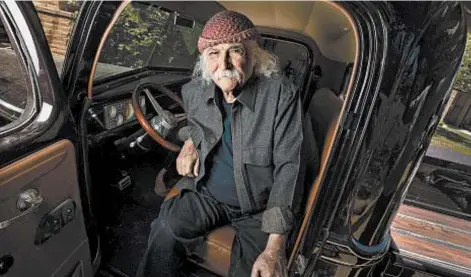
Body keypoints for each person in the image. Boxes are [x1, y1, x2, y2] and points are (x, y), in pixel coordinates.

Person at [137, 10, 307, 277]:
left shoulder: (281, 96)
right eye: (214, 53)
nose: (224, 63)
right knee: (165, 231)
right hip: (207, 192)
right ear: (205, 60)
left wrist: (275, 246)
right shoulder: (195, 91)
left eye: (234, 51)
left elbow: (290, 167)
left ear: (255, 55)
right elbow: (196, 126)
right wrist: (191, 142)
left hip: (258, 209)